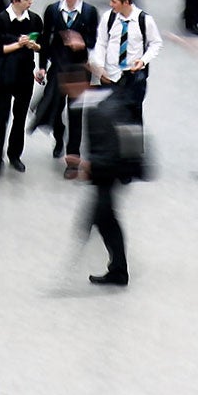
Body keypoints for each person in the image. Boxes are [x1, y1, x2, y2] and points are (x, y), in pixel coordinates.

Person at [78, 68, 138, 285]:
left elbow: (110, 147)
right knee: (107, 220)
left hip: (107, 173)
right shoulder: (111, 102)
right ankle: (118, 268)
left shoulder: (99, 110)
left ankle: (119, 270)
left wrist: (90, 165)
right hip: (112, 172)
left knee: (103, 219)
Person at [39, 0, 100, 171]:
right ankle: (59, 136)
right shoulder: (52, 10)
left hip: (78, 70)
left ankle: (72, 158)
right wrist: (41, 65)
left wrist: (81, 42)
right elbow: (45, 40)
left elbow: (95, 40)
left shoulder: (90, 12)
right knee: (55, 110)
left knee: (76, 114)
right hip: (57, 67)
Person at [0, 0, 43, 173]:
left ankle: (14, 154)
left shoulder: (34, 19)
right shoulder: (0, 20)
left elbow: (41, 43)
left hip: (24, 75)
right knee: (2, 119)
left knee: (20, 118)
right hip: (3, 77)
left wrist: (35, 46)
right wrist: (18, 44)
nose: (31, 2)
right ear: (15, 0)